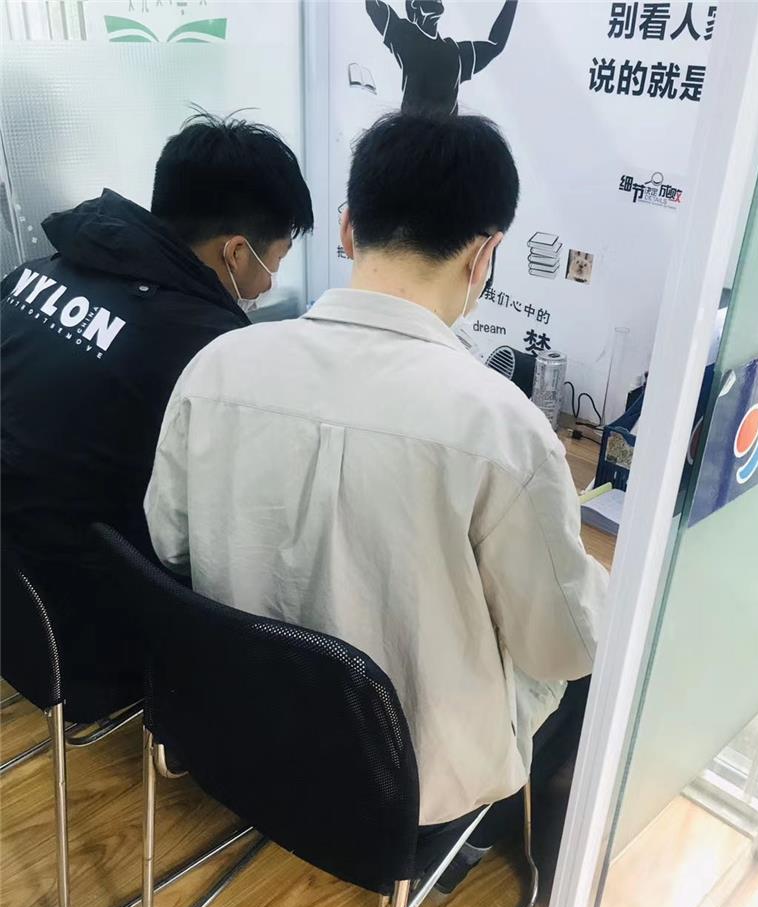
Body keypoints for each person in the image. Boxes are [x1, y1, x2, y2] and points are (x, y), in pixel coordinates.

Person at [145, 110, 607, 845]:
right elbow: (562, 649)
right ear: (485, 254)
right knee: (590, 643)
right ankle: (474, 856)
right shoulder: (504, 430)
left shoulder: (217, 368)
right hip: (401, 787)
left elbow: (168, 546)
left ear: (348, 229)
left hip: (234, 735)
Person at [1, 111, 313, 715]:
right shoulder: (209, 354)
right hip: (85, 644)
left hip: (15, 602)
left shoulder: (36, 273)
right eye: (275, 260)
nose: (269, 284)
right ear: (237, 253)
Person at [365, 0, 518, 115]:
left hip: (446, 144)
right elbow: (373, 6)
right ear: (414, 4)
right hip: (412, 139)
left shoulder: (456, 54)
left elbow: (495, 45)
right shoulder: (405, 35)